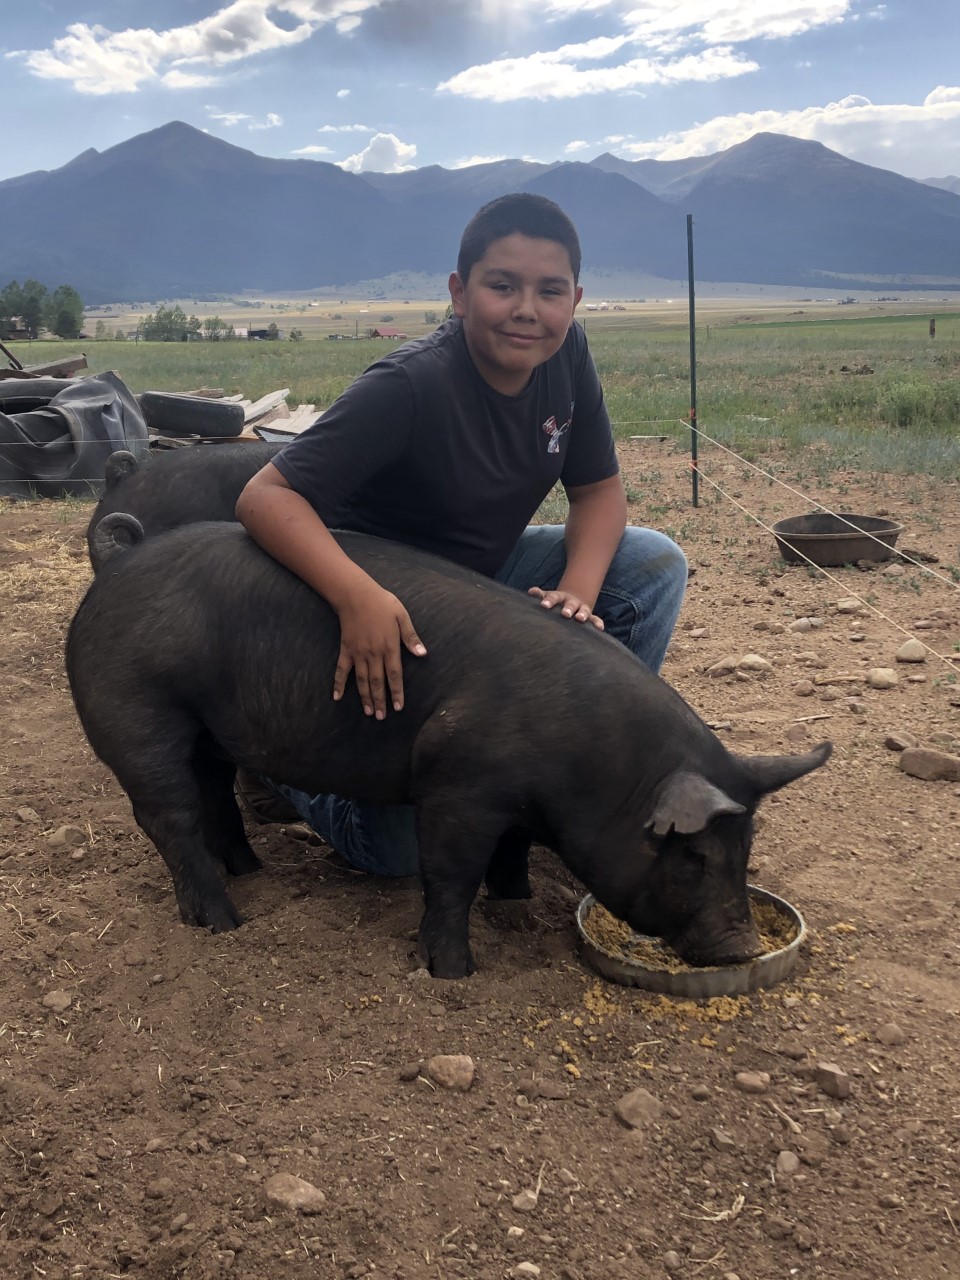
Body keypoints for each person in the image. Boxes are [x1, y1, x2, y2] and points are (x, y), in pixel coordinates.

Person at [234, 192, 687, 874]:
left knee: (652, 565)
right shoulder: (410, 385)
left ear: (575, 300)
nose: (527, 309)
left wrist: (576, 597)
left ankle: (567, 772)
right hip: (382, 612)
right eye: (502, 286)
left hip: (480, 583)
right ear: (459, 293)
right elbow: (266, 497)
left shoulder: (565, 354)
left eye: (550, 291)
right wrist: (358, 597)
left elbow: (598, 492)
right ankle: (271, 762)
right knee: (403, 852)